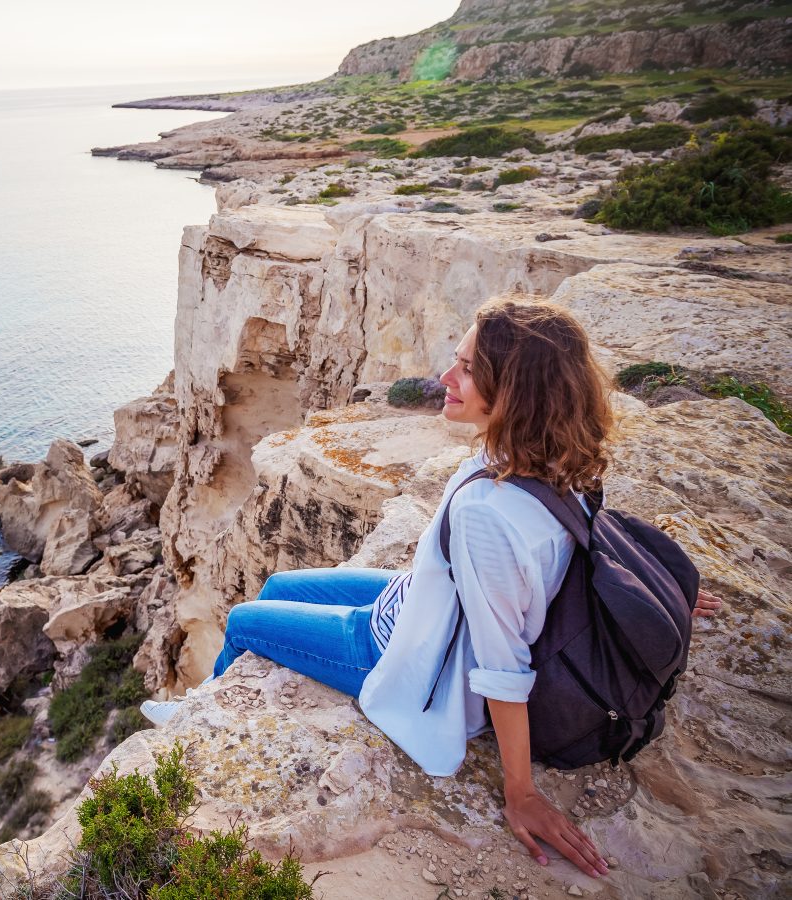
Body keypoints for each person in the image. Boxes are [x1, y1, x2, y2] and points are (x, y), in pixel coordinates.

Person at [140, 297, 721, 879]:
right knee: (280, 583)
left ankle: (193, 724)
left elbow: (504, 664)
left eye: (467, 369)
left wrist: (520, 793)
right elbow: (585, 551)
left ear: (515, 393)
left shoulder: (486, 513)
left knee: (242, 621)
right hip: (417, 599)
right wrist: (656, 594)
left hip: (396, 648)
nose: (446, 377)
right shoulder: (551, 460)